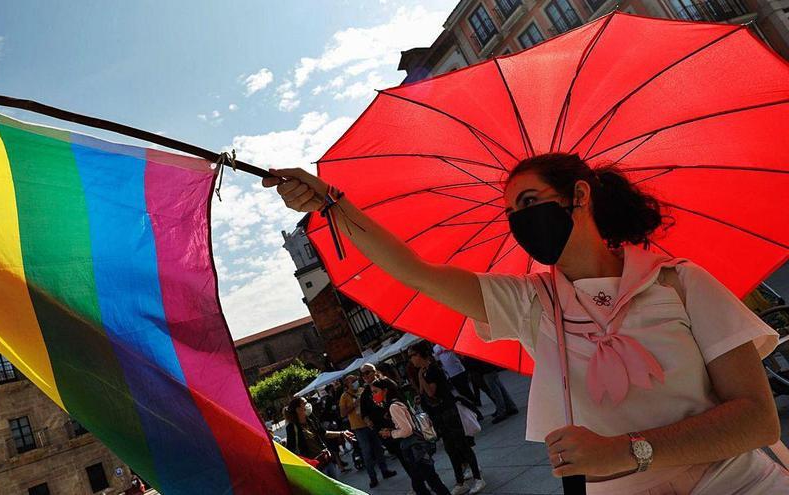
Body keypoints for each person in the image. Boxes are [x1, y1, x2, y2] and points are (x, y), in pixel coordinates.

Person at [263, 152, 789, 493]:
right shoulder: (529, 302)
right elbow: (414, 271)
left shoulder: (680, 283)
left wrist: (624, 449)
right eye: (511, 211)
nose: (519, 220)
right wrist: (332, 204)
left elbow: (757, 420)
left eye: (530, 202)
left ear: (579, 197)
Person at [410, 342, 486, 495]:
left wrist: (420, 378)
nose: (411, 359)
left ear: (421, 355)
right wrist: (420, 381)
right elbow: (422, 392)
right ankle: (460, 482)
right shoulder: (425, 371)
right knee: (451, 449)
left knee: (462, 445)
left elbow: (431, 392)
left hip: (448, 412)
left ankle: (478, 478)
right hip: (439, 414)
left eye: (413, 355)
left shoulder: (432, 369)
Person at [372, 377, 451, 495]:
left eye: (375, 391)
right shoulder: (398, 401)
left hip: (414, 448)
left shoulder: (393, 406)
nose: (374, 395)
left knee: (428, 482)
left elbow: (407, 430)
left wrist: (390, 433)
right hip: (416, 446)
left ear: (385, 390)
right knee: (426, 481)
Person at [284, 396, 354, 479]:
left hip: (325, 459)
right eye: (305, 403)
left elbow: (324, 433)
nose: (308, 405)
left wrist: (342, 433)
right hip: (314, 467)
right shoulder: (292, 428)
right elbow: (291, 450)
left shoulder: (310, 420)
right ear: (298, 409)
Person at [356, 363, 399, 487]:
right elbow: (364, 414)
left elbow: (398, 397)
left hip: (397, 424)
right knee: (398, 454)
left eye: (367, 372)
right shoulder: (365, 394)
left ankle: (419, 484)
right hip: (383, 431)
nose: (365, 376)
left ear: (375, 371)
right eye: (362, 374)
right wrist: (370, 423)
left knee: (408, 454)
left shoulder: (386, 383)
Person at [463, 356, 518, 424]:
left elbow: (473, 363)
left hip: (485, 370)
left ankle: (502, 412)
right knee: (499, 388)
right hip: (488, 367)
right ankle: (510, 407)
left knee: (496, 391)